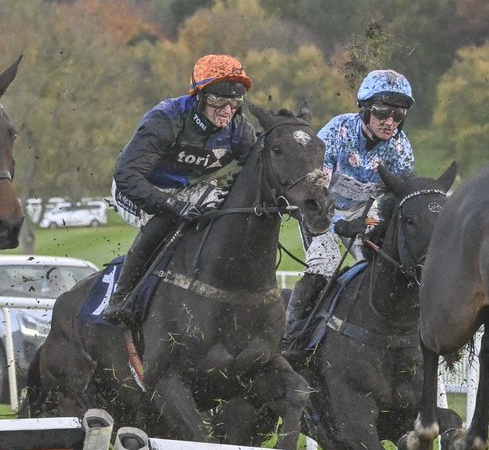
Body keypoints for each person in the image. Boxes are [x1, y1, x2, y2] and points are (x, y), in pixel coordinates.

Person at [102, 54, 256, 325]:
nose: (227, 109)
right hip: (137, 187)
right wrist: (171, 204)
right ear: (198, 95)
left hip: (185, 189)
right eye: (218, 99)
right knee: (168, 218)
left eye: (235, 100)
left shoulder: (239, 130)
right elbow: (127, 175)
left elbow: (257, 170)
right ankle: (121, 297)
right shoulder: (166, 119)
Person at [282, 69, 415, 353]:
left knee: (383, 268)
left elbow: (397, 200)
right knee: (326, 262)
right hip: (319, 211)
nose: (390, 122)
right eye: (382, 113)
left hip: (363, 214)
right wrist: (338, 221)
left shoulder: (401, 148)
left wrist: (371, 224)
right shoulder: (337, 131)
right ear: (365, 109)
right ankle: (291, 338)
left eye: (398, 115)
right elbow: (314, 192)